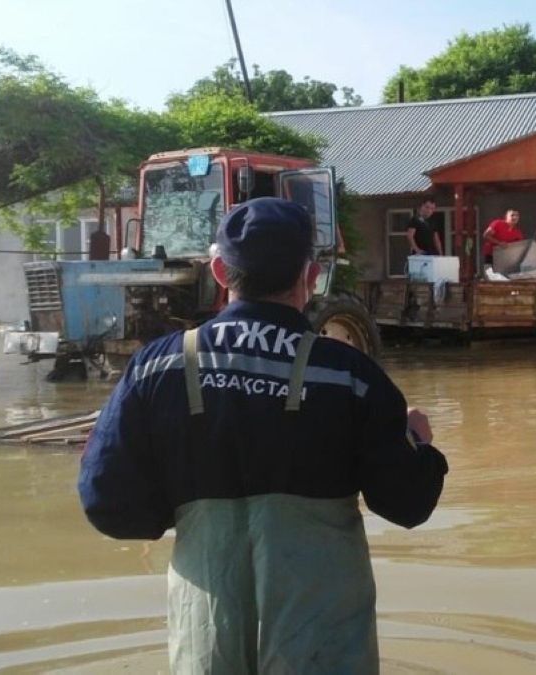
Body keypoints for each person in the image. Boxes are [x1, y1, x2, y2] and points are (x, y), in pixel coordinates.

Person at [78, 197, 448, 674]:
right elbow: (408, 504)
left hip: (207, 645)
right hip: (324, 650)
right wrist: (419, 443)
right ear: (310, 276)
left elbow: (106, 502)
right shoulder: (348, 375)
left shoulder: (157, 367)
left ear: (218, 270)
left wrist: (183, 512)